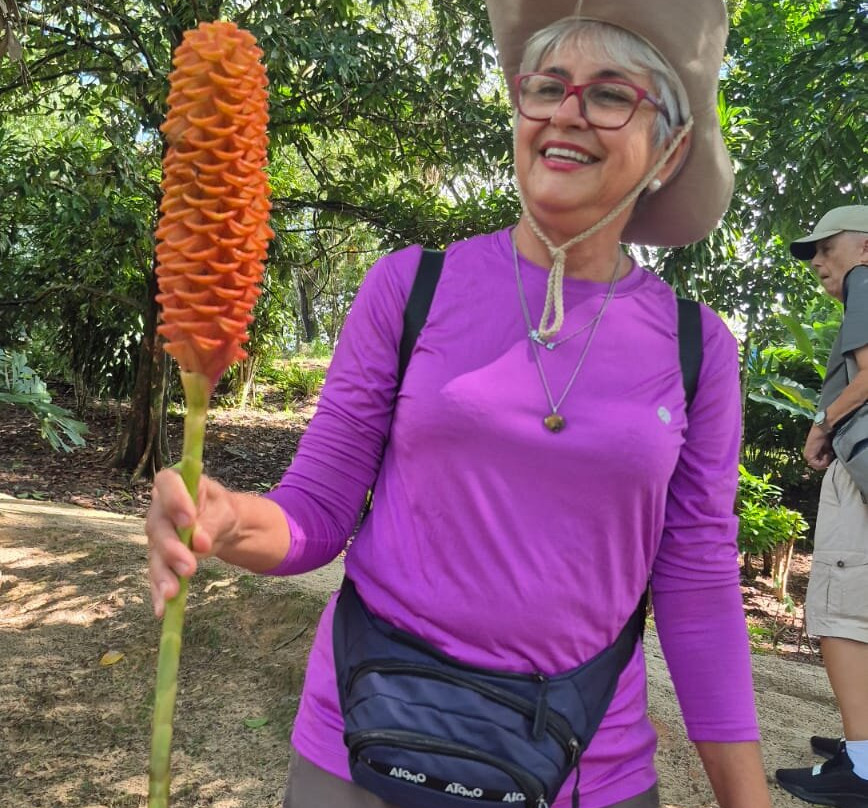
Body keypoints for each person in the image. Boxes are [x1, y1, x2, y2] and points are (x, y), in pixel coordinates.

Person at [146, 2, 775, 806]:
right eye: (547, 86)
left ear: (671, 147)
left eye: (612, 95)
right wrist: (227, 519)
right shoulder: (411, 288)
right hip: (365, 750)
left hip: (586, 771)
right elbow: (317, 511)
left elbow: (698, 587)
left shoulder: (698, 349)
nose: (568, 113)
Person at [775, 205, 868, 807]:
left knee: (842, 607)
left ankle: (862, 768)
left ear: (864, 248)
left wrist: (822, 423)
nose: (815, 261)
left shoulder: (866, 278)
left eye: (824, 247)